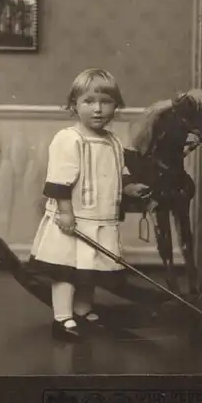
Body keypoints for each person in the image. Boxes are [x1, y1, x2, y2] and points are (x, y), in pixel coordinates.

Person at [29, 68, 149, 341]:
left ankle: (82, 310)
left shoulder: (113, 141)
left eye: (106, 102)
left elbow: (120, 173)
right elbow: (59, 180)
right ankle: (62, 318)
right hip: (73, 220)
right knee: (67, 269)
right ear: (74, 105)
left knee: (90, 269)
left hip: (101, 219)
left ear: (116, 106)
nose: (98, 109)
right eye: (89, 102)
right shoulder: (70, 139)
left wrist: (131, 187)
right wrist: (65, 212)